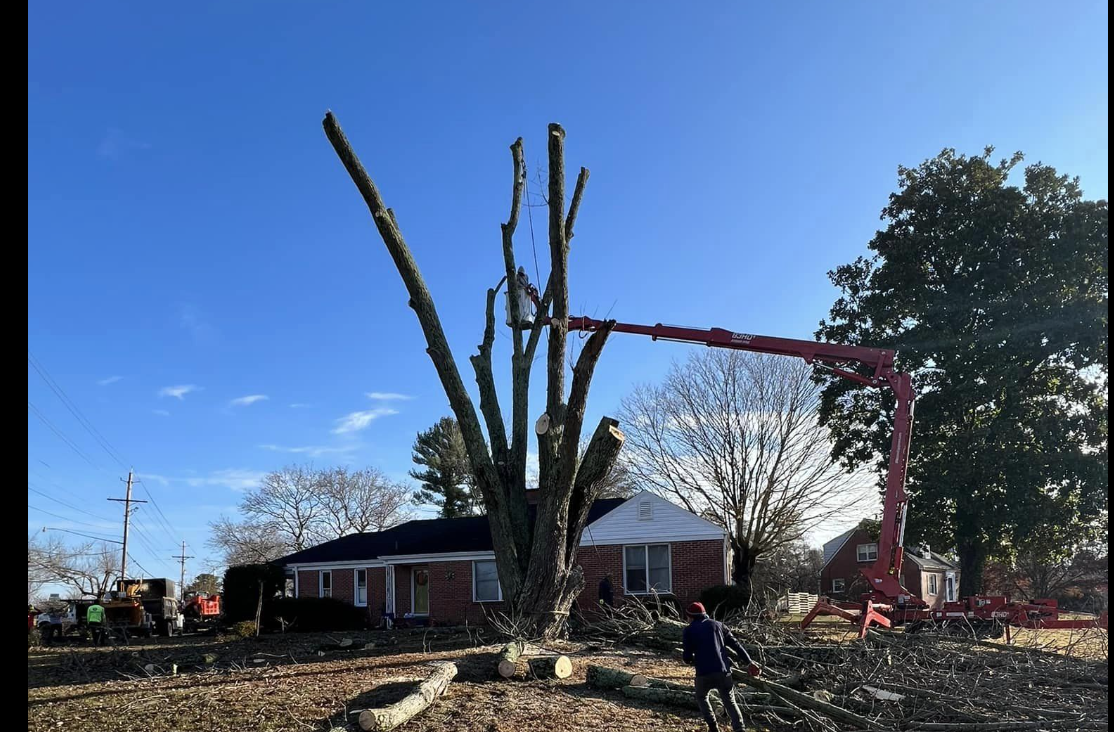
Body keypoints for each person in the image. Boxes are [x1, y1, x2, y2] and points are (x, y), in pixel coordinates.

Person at [681, 601, 760, 732]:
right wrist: (749, 662)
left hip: (703, 673)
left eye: (687, 616)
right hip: (723, 671)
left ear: (691, 616)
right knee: (730, 702)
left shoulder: (689, 630)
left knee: (701, 697)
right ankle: (739, 728)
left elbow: (687, 656)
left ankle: (713, 726)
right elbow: (736, 645)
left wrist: (690, 660)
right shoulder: (719, 625)